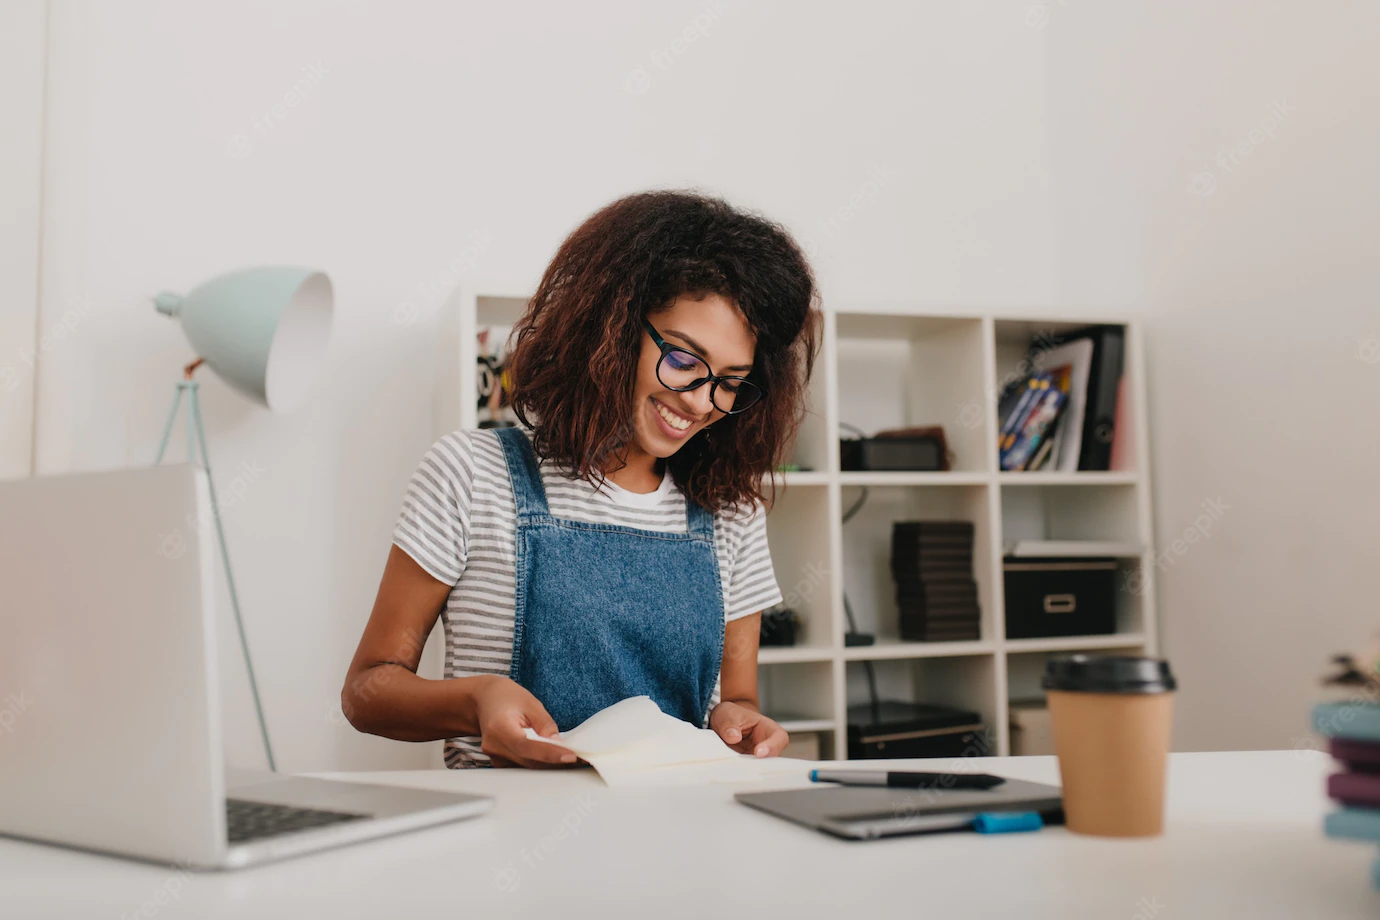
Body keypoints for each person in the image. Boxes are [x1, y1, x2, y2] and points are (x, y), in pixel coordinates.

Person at [342, 190, 820, 768]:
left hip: (672, 825)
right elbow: (368, 691)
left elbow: (736, 699)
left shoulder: (729, 515)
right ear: (612, 328)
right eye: (685, 360)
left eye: (730, 381)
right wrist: (477, 699)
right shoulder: (471, 475)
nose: (700, 403)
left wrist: (737, 719)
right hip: (510, 832)